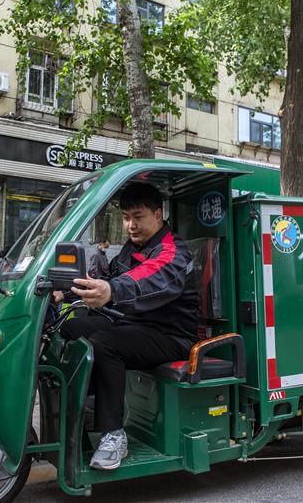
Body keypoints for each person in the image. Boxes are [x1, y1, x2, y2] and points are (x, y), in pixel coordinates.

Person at [59, 183, 200, 470]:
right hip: (135, 324)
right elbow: (109, 276)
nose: (130, 225)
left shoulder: (171, 251)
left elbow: (149, 278)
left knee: (104, 344)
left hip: (171, 334)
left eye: (138, 216)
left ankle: (113, 433)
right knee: (71, 329)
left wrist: (111, 291)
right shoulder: (132, 248)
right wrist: (69, 289)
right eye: (125, 217)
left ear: (158, 215)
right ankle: (78, 410)